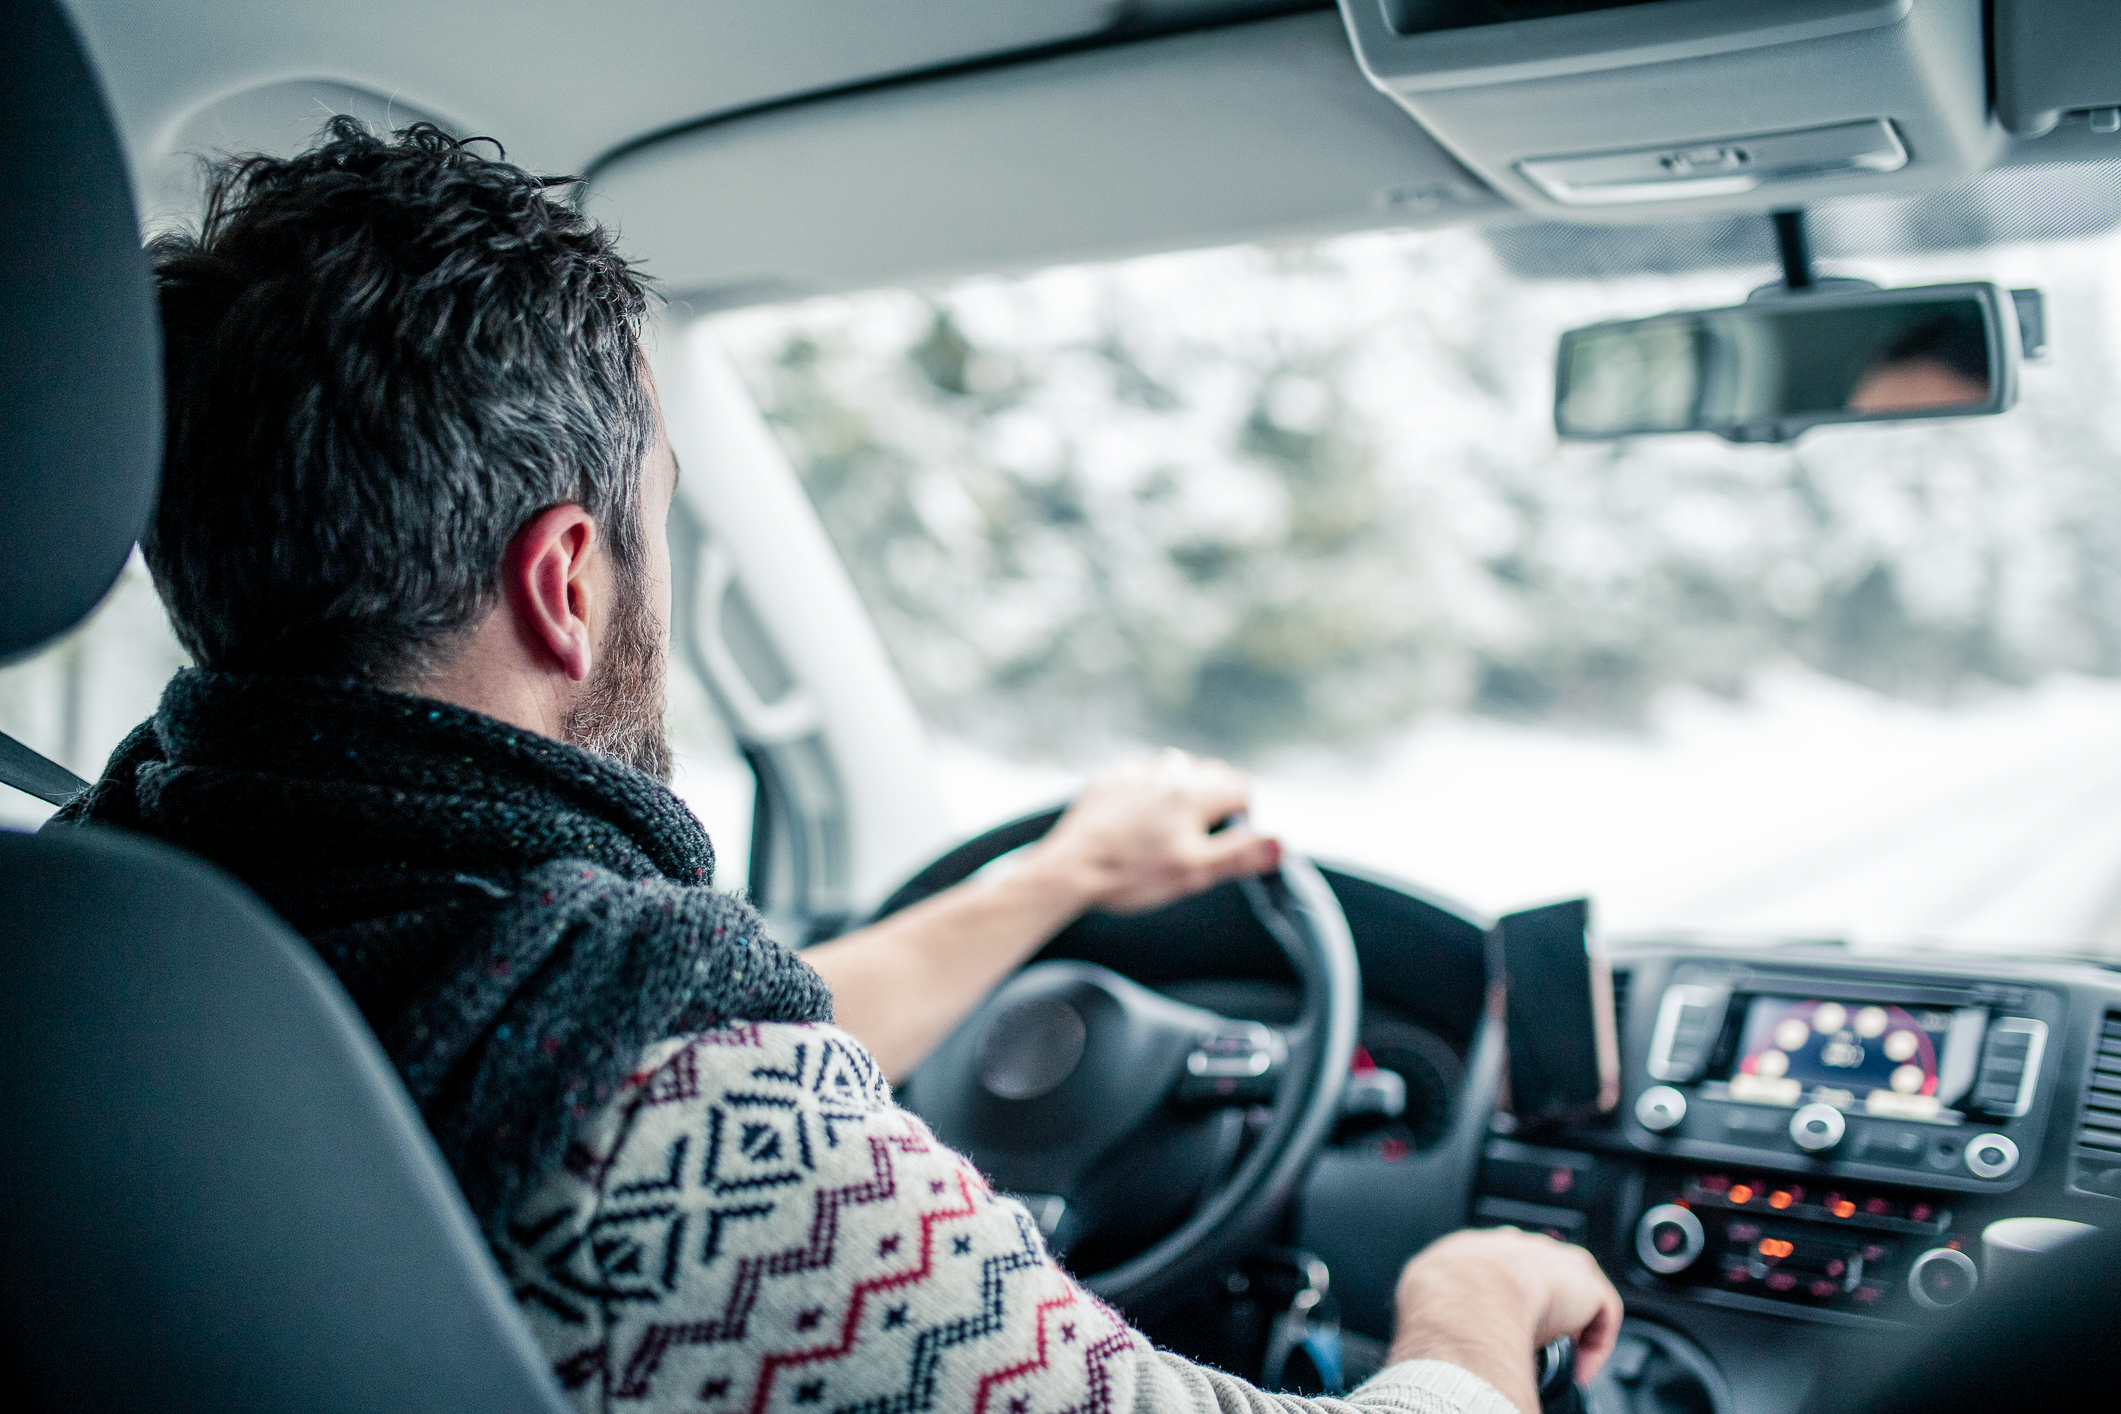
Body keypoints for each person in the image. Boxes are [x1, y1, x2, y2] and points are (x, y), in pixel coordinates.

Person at [54, 120, 1620, 1414]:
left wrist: (1061, 879)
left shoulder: (120, 932)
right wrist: (1468, 1300)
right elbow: (707, 1096)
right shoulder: (701, 1156)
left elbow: (633, 1026)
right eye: (660, 522)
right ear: (569, 579)